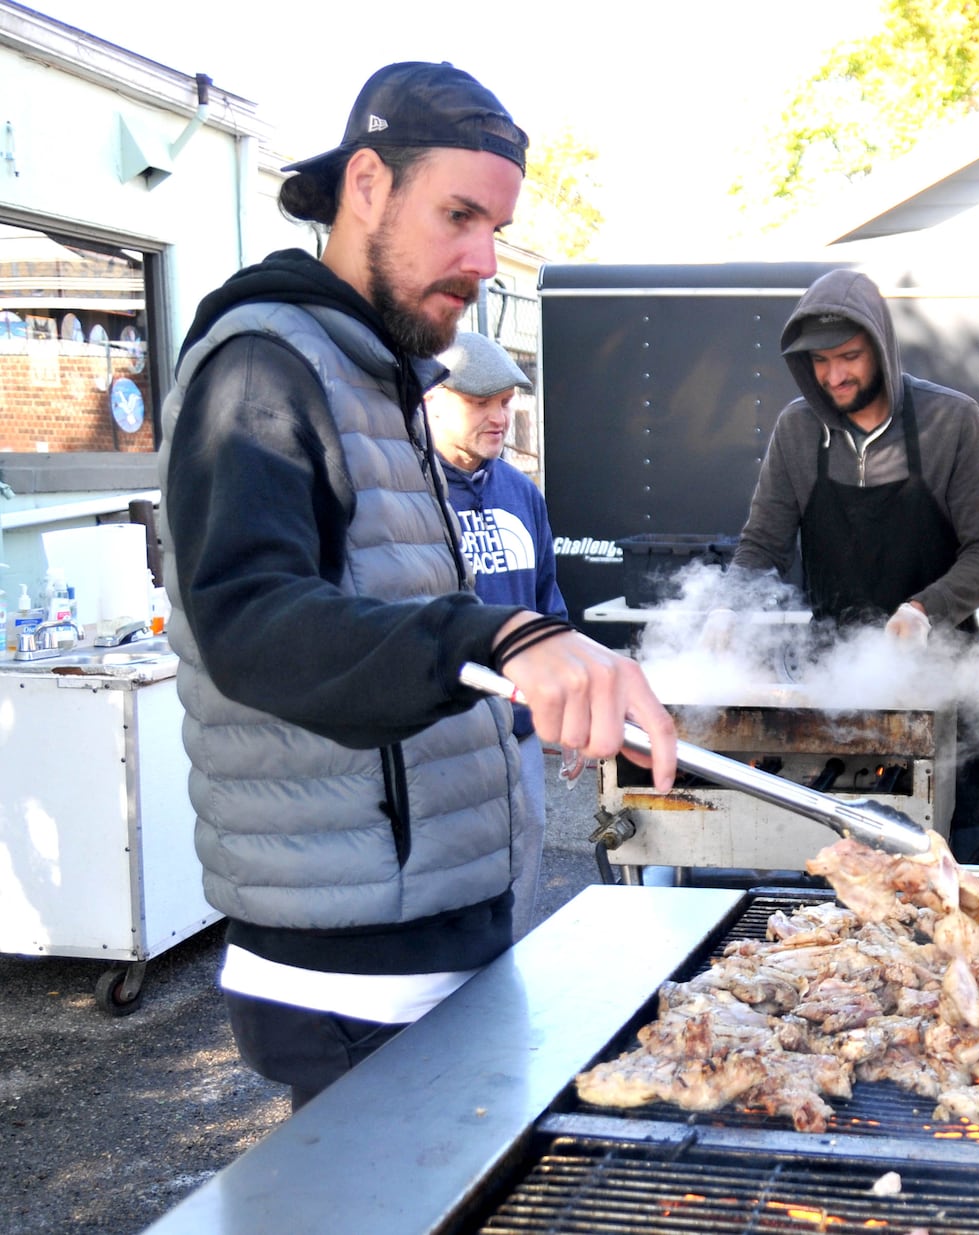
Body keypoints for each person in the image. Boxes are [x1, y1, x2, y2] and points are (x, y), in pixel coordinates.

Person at [155, 61, 675, 1111]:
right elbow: (248, 622)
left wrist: (548, 678)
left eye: (497, 226)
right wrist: (502, 637)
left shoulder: (379, 373)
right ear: (365, 185)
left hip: (443, 921)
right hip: (352, 960)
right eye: (458, 215)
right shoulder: (261, 367)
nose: (484, 258)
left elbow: (396, 613)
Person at [719, 268, 979, 863]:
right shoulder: (798, 431)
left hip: (941, 686)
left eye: (849, 357)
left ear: (881, 346)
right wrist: (729, 607)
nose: (834, 376)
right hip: (838, 689)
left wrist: (924, 609)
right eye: (820, 362)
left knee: (956, 873)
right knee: (836, 876)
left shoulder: (949, 422)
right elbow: (761, 545)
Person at [425, 330, 566, 941]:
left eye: (506, 402)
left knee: (524, 858)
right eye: (480, 402)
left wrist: (566, 704)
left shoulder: (521, 491)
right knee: (446, 883)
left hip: (519, 733)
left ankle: (506, 989)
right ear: (431, 398)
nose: (499, 417)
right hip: (441, 739)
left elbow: (546, 610)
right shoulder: (409, 493)